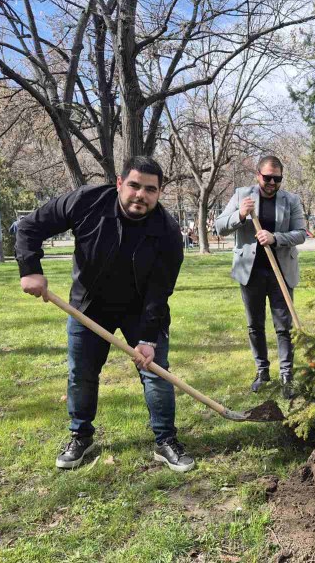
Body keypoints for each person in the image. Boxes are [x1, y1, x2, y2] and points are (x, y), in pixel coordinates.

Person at [15, 156, 193, 473]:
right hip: (89, 305)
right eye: (135, 185)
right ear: (120, 183)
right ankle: (80, 436)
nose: (141, 195)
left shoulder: (167, 232)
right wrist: (31, 269)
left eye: (150, 189)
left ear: (159, 192)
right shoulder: (86, 201)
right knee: (82, 373)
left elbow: (159, 290)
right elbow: (30, 226)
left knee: (156, 372)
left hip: (140, 309)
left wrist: (148, 338)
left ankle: (166, 441)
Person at [215, 155, 306, 398]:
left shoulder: (291, 200)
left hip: (281, 272)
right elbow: (219, 226)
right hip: (251, 272)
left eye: (277, 179)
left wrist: (276, 237)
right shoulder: (242, 196)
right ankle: (262, 371)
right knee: (255, 325)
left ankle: (286, 375)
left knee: (283, 326)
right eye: (267, 178)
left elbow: (300, 233)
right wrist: (241, 215)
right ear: (258, 175)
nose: (272, 183)